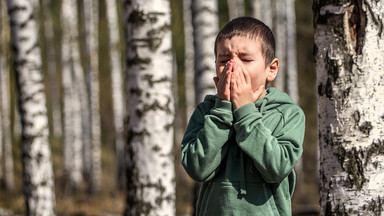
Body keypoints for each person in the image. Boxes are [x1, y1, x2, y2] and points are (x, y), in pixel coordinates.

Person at [180, 17, 305, 215]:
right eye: (224, 60)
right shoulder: (206, 112)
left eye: (245, 59)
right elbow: (197, 168)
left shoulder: (286, 113)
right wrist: (223, 110)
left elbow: (276, 168)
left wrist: (245, 110)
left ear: (271, 69)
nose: (233, 67)